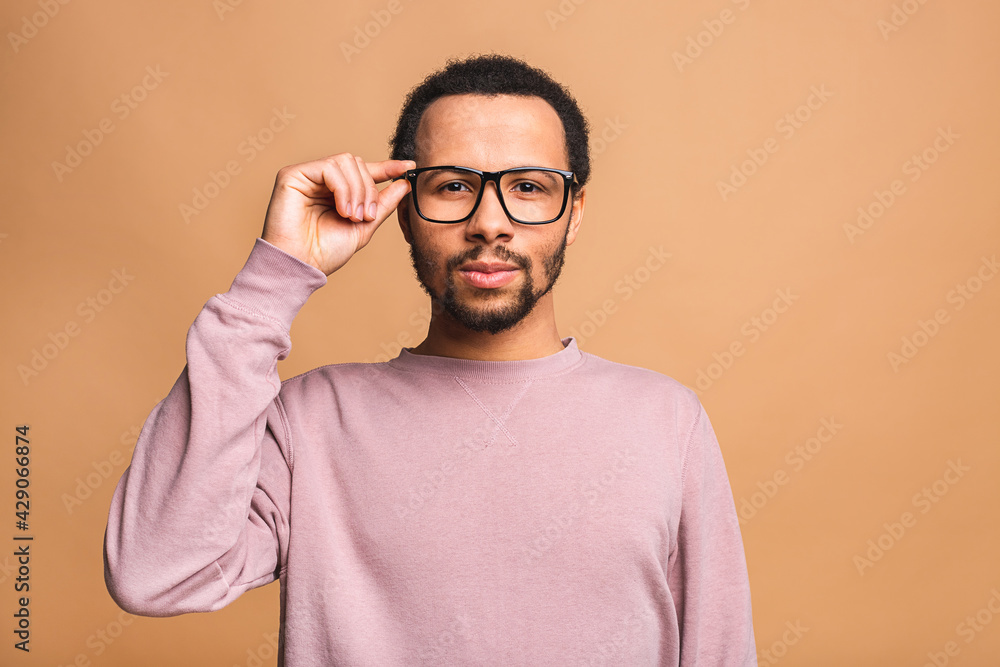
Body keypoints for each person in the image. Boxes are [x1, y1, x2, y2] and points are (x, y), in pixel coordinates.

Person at [103, 52, 757, 666]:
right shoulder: (310, 422)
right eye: (452, 186)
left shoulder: (666, 420)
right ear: (404, 210)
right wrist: (273, 280)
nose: (490, 222)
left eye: (529, 186)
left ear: (574, 212)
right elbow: (155, 572)